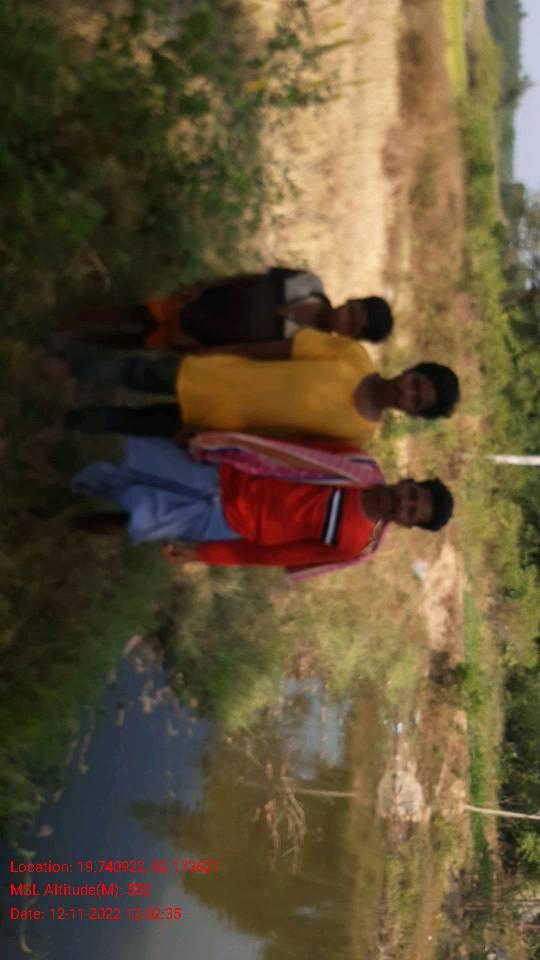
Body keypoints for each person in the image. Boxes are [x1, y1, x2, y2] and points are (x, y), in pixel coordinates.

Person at [70, 432, 454, 582]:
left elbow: (272, 555)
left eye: (411, 511)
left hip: (227, 522)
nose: (404, 502)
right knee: (133, 459)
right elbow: (285, 446)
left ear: (407, 524)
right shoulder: (357, 464)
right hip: (225, 475)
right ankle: (68, 462)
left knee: (137, 520)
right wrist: (220, 440)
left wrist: (203, 554)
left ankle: (65, 519)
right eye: (413, 494)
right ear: (408, 481)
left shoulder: (356, 545)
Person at [58, 330, 460, 448]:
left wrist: (217, 441)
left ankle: (60, 421)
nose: (407, 393)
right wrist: (215, 349)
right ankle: (59, 360)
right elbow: (278, 349)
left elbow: (284, 447)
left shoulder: (358, 436)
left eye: (417, 401)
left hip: (216, 424)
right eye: (416, 384)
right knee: (131, 371)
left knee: (132, 424)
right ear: (411, 371)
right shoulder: (352, 356)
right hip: (211, 374)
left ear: (413, 413)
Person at [69, 267, 394, 350]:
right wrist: (202, 286)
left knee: (137, 341)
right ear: (352, 300)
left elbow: (247, 353)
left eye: (352, 326)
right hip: (202, 302)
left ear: (350, 337)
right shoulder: (308, 283)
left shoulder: (307, 345)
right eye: (353, 312)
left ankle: (76, 345)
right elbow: (251, 278)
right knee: (135, 313)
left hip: (202, 336)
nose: (344, 319)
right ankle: (69, 322)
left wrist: (197, 349)